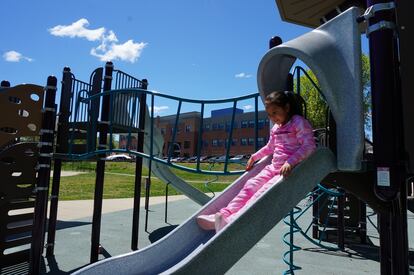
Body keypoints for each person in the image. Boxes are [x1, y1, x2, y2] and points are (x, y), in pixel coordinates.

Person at [196, 90, 316, 232]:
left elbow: (309, 146)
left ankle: (231, 221)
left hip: (287, 171)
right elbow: (270, 147)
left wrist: (290, 162)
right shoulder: (276, 128)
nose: (273, 117)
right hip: (273, 168)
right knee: (250, 186)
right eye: (270, 114)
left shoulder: (298, 122)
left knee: (261, 193)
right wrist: (254, 156)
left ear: (287, 108)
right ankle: (223, 214)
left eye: (275, 112)